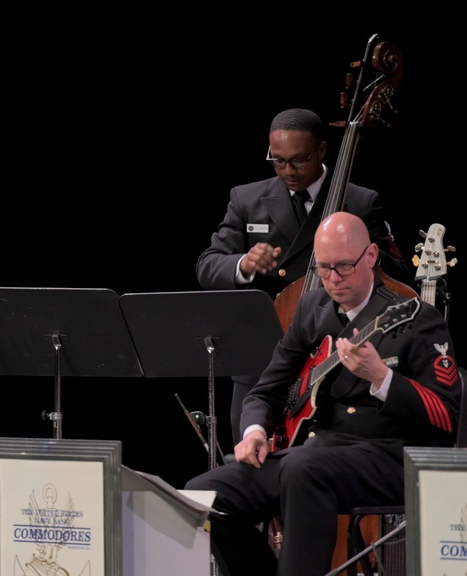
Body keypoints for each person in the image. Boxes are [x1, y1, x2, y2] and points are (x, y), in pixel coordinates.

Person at [185, 211, 461, 576]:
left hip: (387, 457)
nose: (333, 279)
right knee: (201, 494)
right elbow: (266, 389)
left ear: (372, 257)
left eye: (344, 267)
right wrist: (254, 431)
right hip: (315, 454)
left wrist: (382, 378)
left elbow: (447, 415)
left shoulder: (414, 317)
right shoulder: (312, 310)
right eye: (325, 267)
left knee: (302, 468)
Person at [195, 108, 413, 445]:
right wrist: (244, 264)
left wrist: (354, 252)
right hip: (263, 358)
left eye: (299, 161)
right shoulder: (246, 198)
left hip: (333, 354)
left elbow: (397, 272)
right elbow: (208, 265)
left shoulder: (359, 200)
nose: (288, 171)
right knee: (253, 456)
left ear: (322, 151)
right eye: (277, 161)